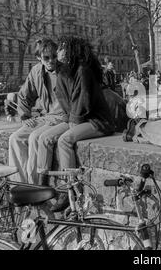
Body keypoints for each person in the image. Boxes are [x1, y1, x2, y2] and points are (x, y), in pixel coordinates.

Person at [36, 37, 116, 212]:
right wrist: (69, 119)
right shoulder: (65, 71)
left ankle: (70, 188)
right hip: (78, 118)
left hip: (97, 121)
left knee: (64, 140)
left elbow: (83, 101)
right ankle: (41, 183)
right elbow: (65, 100)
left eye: (62, 48)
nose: (58, 52)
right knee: (45, 137)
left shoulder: (82, 70)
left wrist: (72, 121)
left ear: (71, 50)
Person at [8, 38, 68, 184]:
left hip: (62, 117)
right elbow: (23, 95)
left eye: (54, 56)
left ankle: (33, 185)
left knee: (35, 137)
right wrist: (24, 116)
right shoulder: (36, 71)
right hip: (46, 117)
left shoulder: (66, 71)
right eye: (46, 58)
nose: (51, 61)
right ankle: (19, 183)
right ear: (39, 58)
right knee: (15, 138)